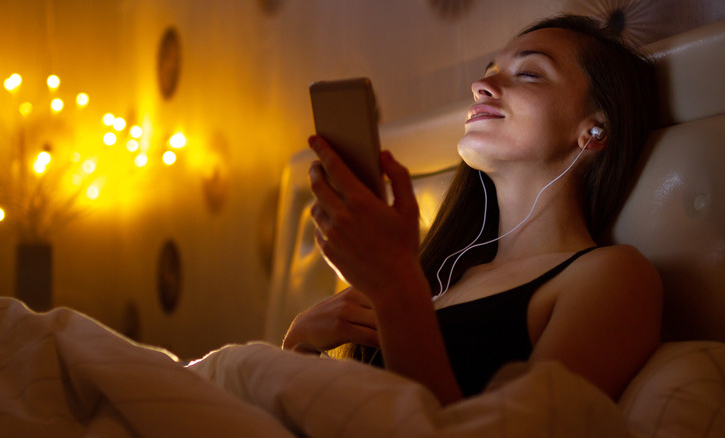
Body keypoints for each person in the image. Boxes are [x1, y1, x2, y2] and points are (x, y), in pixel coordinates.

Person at [282, 14, 662, 406]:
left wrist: (395, 288)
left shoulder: (613, 276)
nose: (481, 86)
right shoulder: (438, 275)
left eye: (529, 74)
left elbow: (519, 430)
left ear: (595, 129)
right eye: (488, 73)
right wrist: (299, 344)